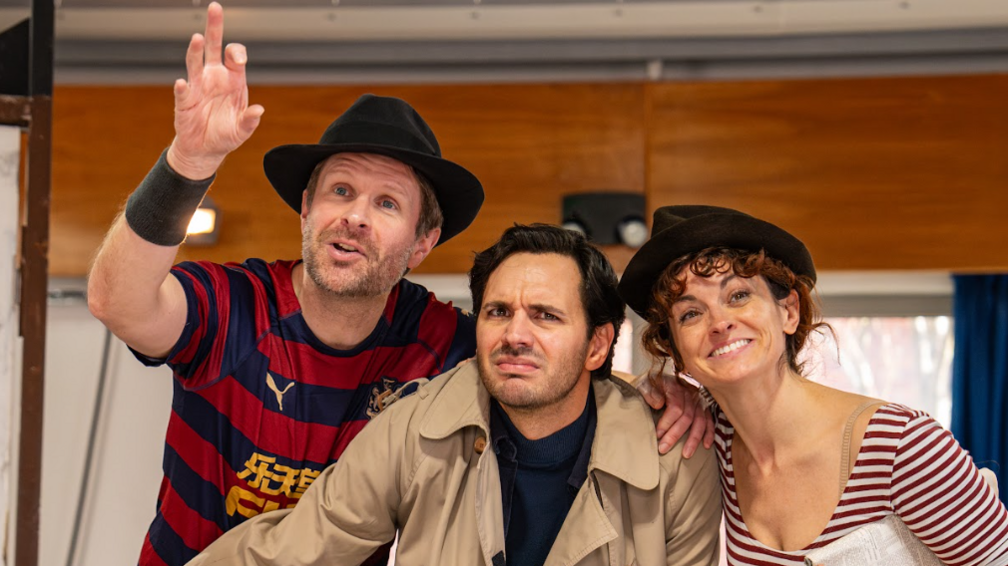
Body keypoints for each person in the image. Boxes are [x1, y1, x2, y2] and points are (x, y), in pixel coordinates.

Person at [86, 4, 710, 565]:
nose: (355, 214)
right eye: (340, 191)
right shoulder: (234, 307)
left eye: (387, 203)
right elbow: (118, 301)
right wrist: (189, 163)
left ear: (421, 243)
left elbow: (542, 366)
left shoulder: (443, 340)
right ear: (306, 210)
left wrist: (658, 393)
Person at [185, 224, 723, 566]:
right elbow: (296, 551)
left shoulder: (673, 457)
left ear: (597, 344)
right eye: (498, 312)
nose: (515, 334)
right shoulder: (414, 427)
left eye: (545, 316)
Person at [617, 204, 1008, 566]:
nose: (719, 322)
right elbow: (581, 383)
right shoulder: (711, 437)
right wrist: (654, 384)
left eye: (738, 296)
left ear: (788, 312)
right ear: (675, 349)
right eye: (689, 314)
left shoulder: (901, 446)